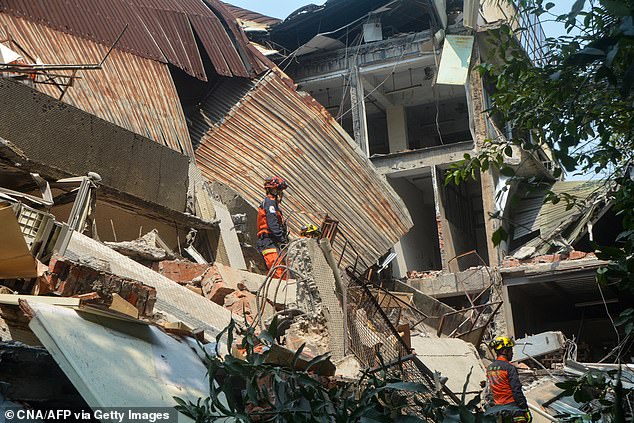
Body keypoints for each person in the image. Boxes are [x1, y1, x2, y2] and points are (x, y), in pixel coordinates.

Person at [486, 336, 532, 423]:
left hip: (498, 411)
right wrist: (525, 409)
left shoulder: (490, 368)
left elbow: (491, 390)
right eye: (511, 350)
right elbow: (516, 390)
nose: (512, 353)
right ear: (505, 351)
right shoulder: (509, 368)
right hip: (513, 410)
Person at [256, 176, 288, 278]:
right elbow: (272, 224)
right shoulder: (270, 204)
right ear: (274, 190)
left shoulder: (272, 204)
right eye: (279, 190)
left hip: (271, 242)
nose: (281, 194)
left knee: (278, 272)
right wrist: (282, 240)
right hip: (268, 242)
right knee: (278, 272)